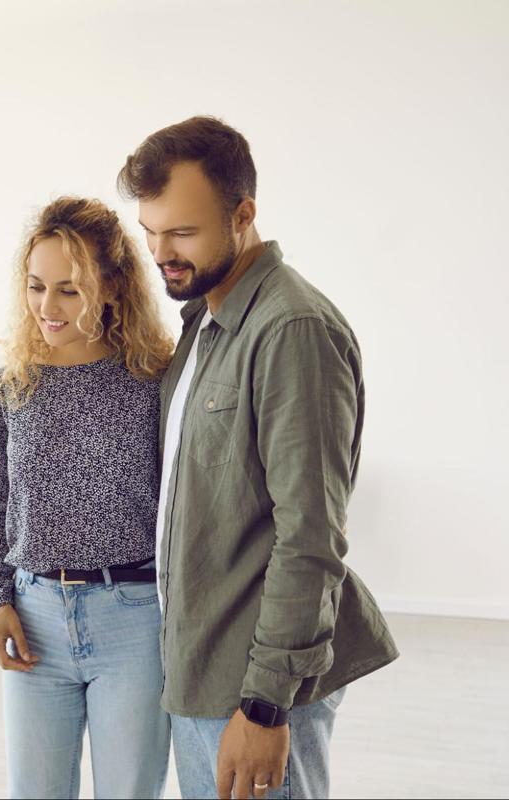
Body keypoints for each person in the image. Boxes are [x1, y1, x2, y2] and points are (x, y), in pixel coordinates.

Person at [118, 116, 400, 800]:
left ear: (243, 215)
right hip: (203, 667)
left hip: (254, 690)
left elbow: (311, 534)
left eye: (182, 232)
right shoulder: (204, 323)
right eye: (150, 232)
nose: (161, 253)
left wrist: (267, 705)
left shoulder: (291, 330)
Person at [0, 197, 174, 799]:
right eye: (37, 287)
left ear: (111, 287)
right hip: (33, 617)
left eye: (69, 290)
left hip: (133, 620)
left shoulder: (152, 382)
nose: (47, 307)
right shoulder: (10, 386)